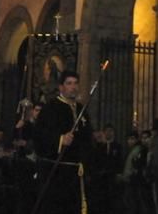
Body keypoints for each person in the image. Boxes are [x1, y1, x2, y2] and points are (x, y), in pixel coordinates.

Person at [32, 70, 93, 214]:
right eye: (69, 83)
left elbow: (86, 138)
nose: (73, 87)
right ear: (61, 87)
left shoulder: (81, 110)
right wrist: (60, 139)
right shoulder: (51, 108)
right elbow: (40, 135)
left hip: (77, 172)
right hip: (57, 173)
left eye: (76, 83)